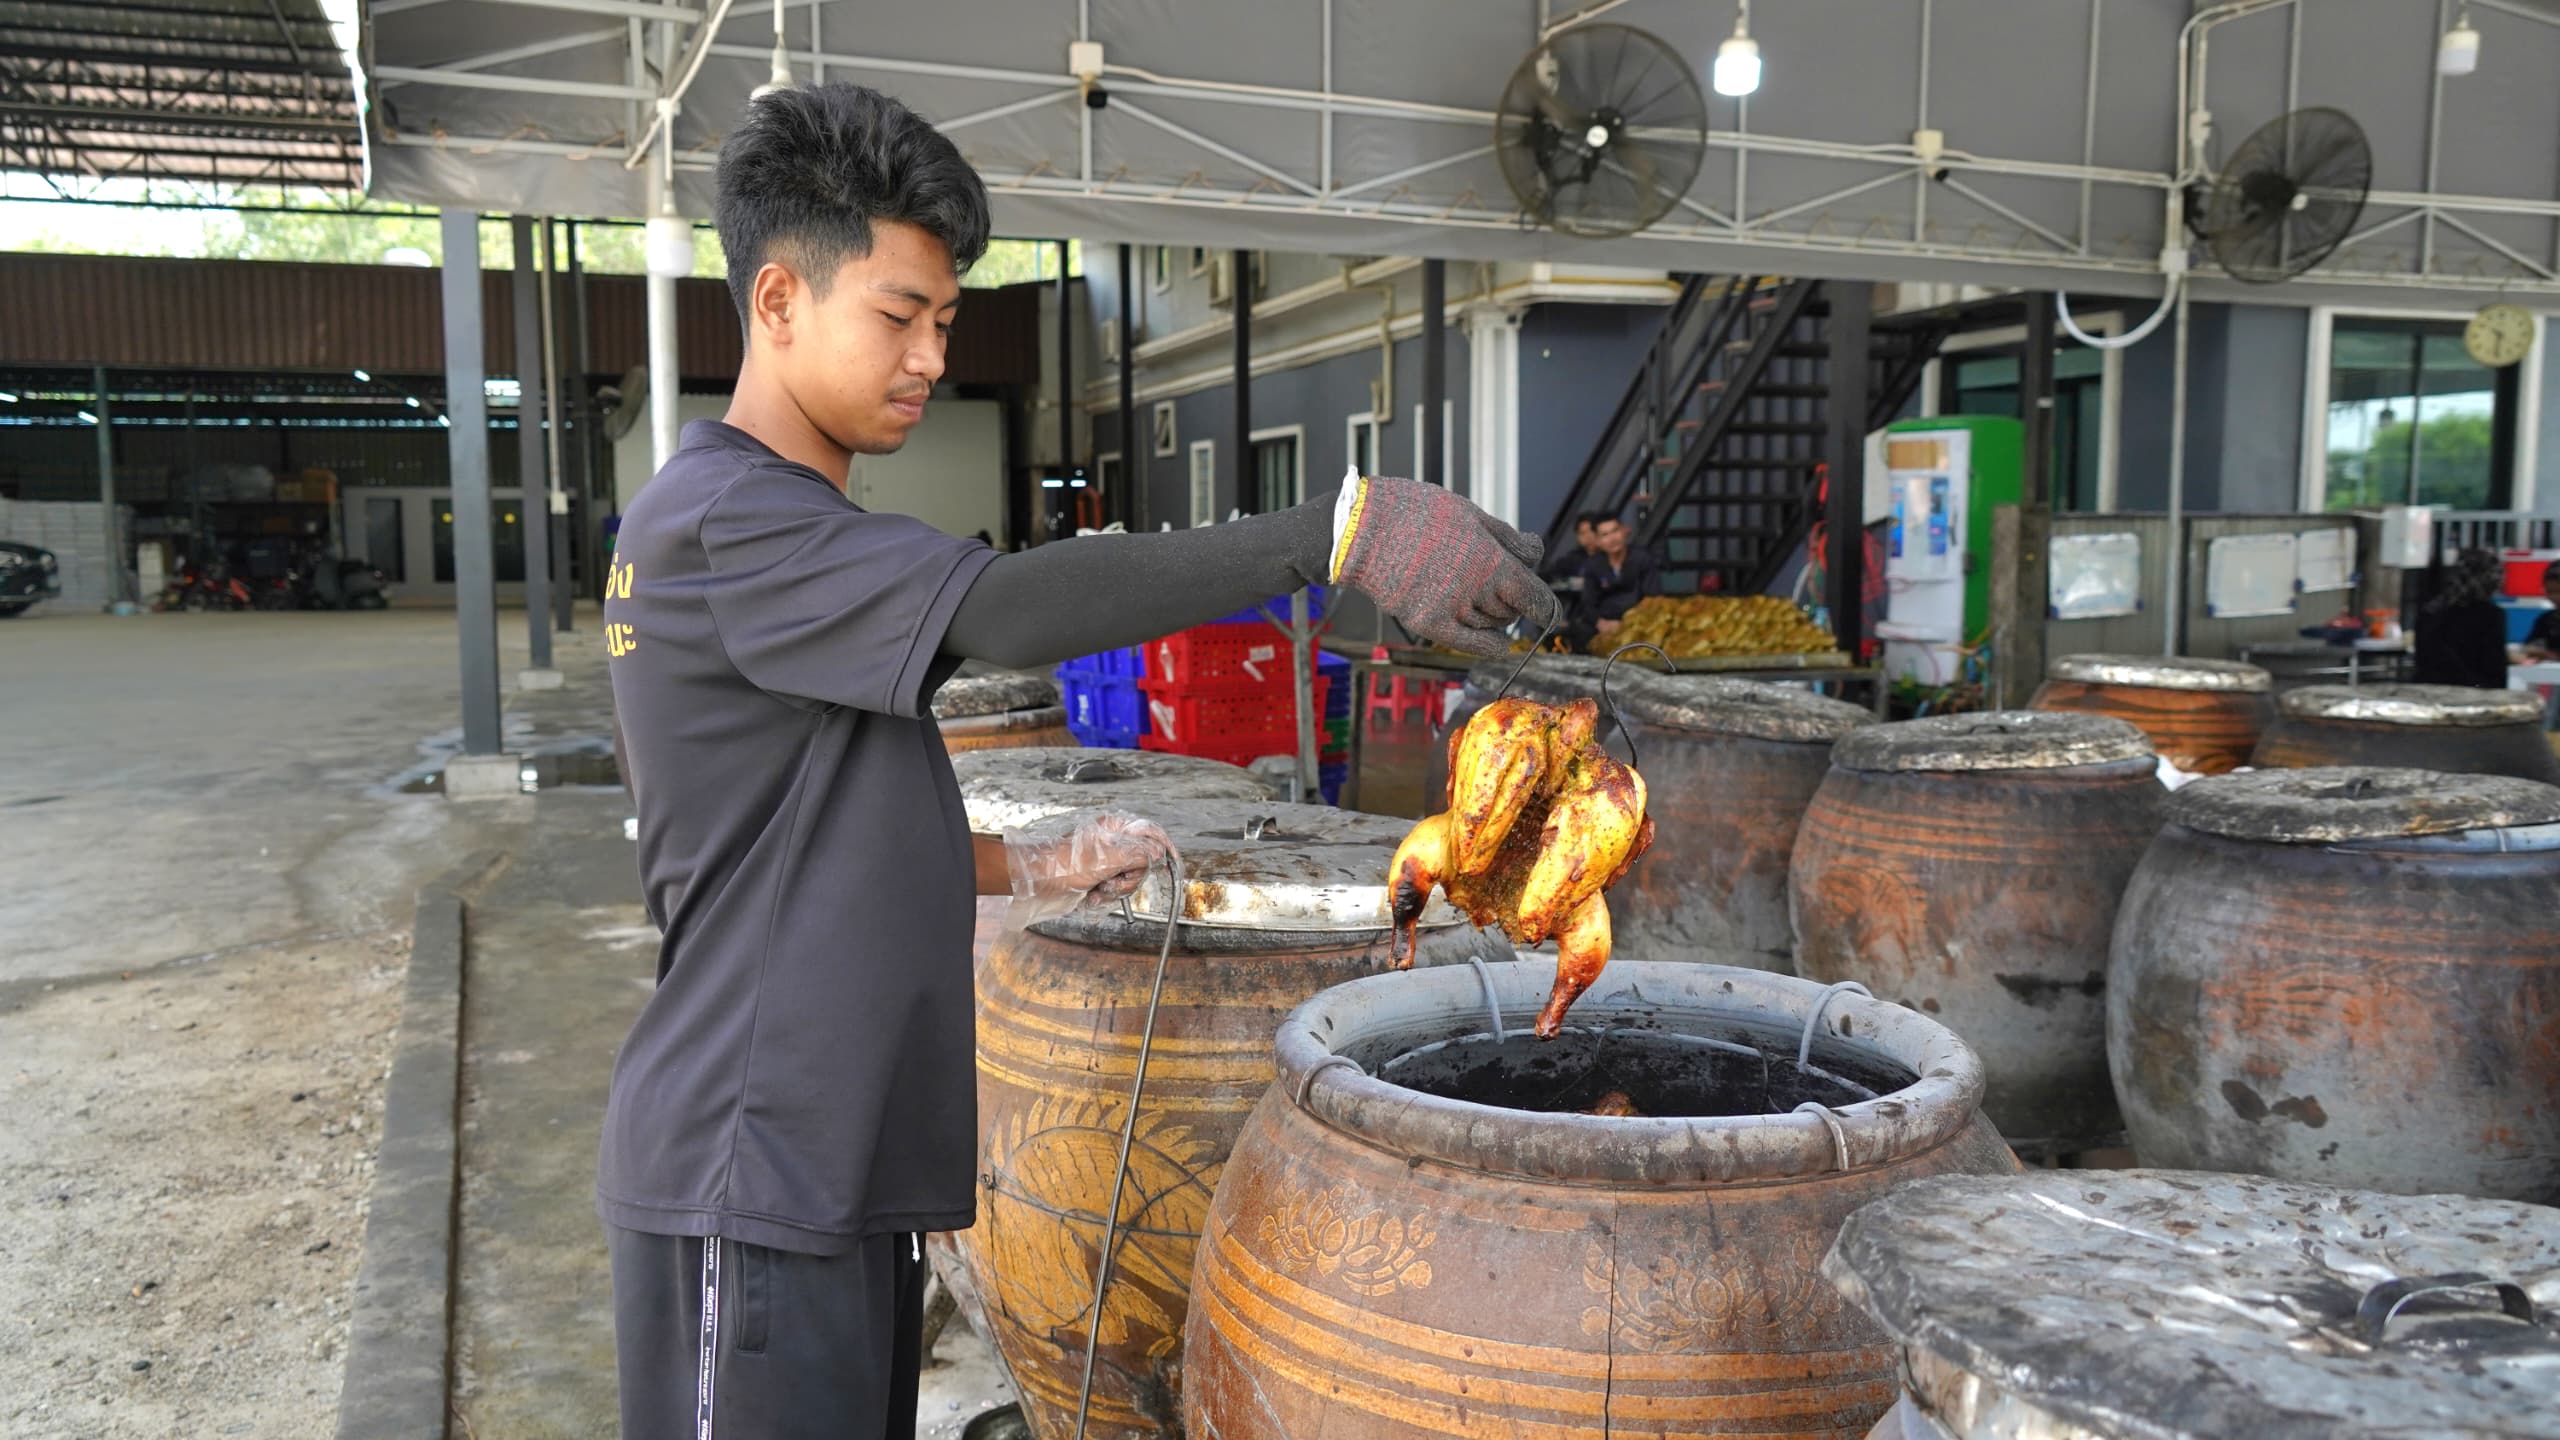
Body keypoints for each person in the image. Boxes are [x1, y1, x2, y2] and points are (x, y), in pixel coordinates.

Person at [597, 83, 1555, 1440]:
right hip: (749, 1172)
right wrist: (1329, 531)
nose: (930, 356)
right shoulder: (731, 521)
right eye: (895, 316)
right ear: (776, 304)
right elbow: (1006, 611)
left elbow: (778, 818)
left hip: (824, 1166)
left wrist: (1019, 861)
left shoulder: (765, 529)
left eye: (944, 322)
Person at [2412, 546, 2511, 689]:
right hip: (2473, 692)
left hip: (2428, 690)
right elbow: (2494, 667)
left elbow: (2423, 658)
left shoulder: (2431, 609)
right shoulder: (2490, 615)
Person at [1568, 513, 1661, 652]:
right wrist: (1600, 623)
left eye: (1615, 531)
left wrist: (1628, 623)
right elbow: (1588, 603)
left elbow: (1653, 598)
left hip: (1637, 621)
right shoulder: (1593, 565)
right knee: (1579, 632)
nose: (1612, 539)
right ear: (1598, 541)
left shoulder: (1642, 558)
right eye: (1605, 535)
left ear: (1624, 531)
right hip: (1604, 623)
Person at [2521, 564, 2560, 662]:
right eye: (2550, 592)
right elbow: (2529, 647)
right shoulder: (2546, 620)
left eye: (2559, 591)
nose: (2555, 597)